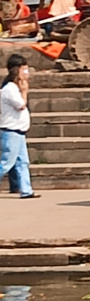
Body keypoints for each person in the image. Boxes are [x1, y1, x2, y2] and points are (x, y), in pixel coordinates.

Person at [0, 54, 34, 198]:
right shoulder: (10, 89)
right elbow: (21, 105)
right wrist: (24, 91)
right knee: (6, 163)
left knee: (22, 162)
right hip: (11, 132)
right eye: (24, 69)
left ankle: (26, 190)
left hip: (19, 131)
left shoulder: (14, 88)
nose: (27, 73)